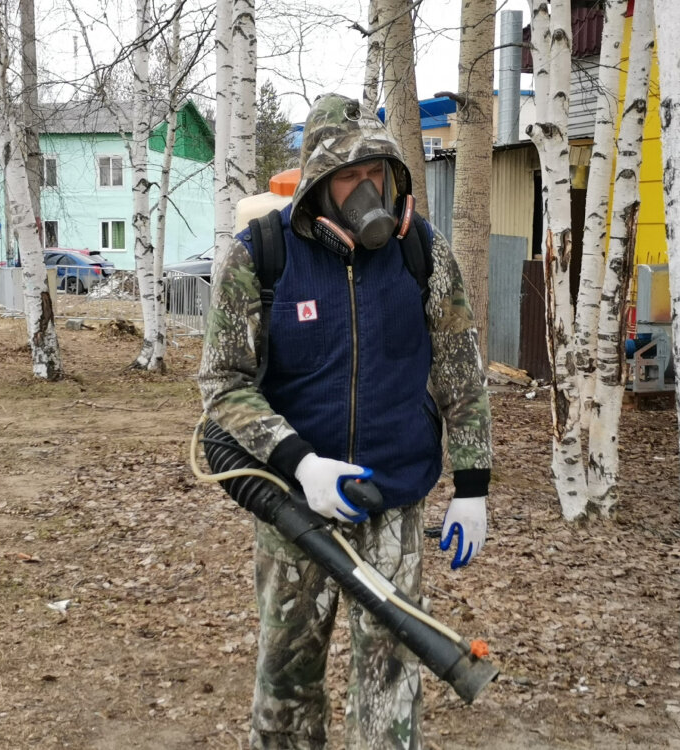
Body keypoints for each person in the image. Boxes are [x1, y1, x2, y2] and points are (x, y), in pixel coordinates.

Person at [198, 92, 492, 749]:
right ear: (318, 187)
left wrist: (472, 488)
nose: (367, 190)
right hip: (294, 504)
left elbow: (461, 373)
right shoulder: (263, 254)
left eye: (375, 174)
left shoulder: (423, 253)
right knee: (287, 681)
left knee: (391, 686)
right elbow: (222, 385)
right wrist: (300, 461)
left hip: (392, 499)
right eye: (349, 177)